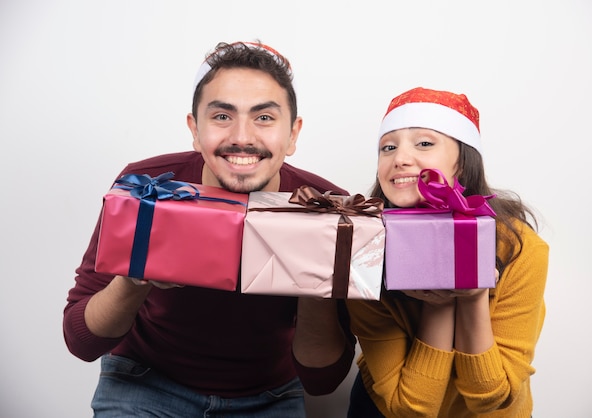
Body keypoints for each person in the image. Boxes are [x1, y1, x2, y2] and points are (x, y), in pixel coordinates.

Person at [63, 40, 355, 417]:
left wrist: (315, 288)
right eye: (222, 117)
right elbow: (80, 341)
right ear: (195, 130)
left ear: (293, 134)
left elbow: (324, 380)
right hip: (145, 382)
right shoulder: (145, 188)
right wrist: (135, 279)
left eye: (264, 117)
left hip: (269, 397)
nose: (242, 137)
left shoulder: (327, 209)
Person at [345, 87, 549, 417]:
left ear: (464, 164)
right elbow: (408, 408)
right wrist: (439, 303)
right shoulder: (363, 249)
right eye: (388, 147)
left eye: (424, 143)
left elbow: (491, 398)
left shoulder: (519, 248)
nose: (400, 158)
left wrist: (472, 297)